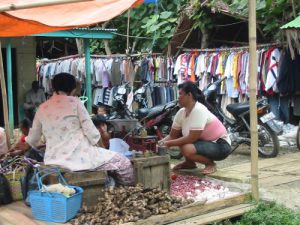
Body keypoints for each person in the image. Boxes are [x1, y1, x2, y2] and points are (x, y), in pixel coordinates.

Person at [25, 73, 134, 186]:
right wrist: (101, 148)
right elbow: (91, 133)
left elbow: (33, 139)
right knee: (123, 163)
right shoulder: (75, 102)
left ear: (53, 87)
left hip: (53, 160)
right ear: (73, 89)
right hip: (80, 159)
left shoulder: (42, 107)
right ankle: (126, 191)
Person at [158, 81, 231, 175]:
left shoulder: (199, 109)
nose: (178, 97)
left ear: (189, 95)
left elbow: (192, 138)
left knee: (186, 148)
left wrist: (168, 143)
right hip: (206, 143)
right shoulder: (181, 113)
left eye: (180, 94)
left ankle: (210, 164)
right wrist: (160, 143)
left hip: (221, 145)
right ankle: (190, 163)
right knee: (182, 141)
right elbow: (172, 135)